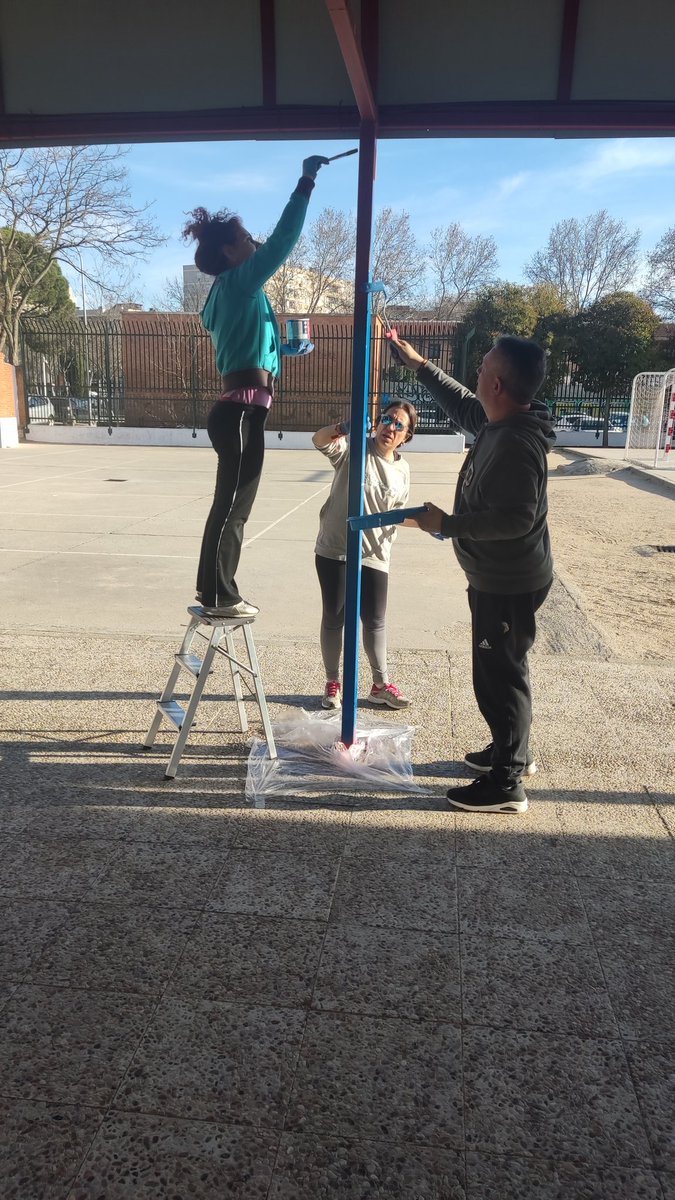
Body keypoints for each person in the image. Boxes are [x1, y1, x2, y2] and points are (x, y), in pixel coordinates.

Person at [388, 330, 555, 815]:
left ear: (499, 385)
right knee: (503, 668)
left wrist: (449, 525)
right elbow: (463, 404)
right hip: (500, 577)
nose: (476, 373)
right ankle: (512, 753)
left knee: (499, 676)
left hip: (509, 582)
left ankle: (507, 784)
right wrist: (419, 365)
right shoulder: (500, 421)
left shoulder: (515, 445)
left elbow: (516, 518)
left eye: (483, 367)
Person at [183, 154, 329, 618]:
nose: (256, 242)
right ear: (229, 251)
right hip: (244, 411)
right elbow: (282, 242)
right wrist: (305, 183)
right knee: (235, 508)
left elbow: (245, 349)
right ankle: (223, 594)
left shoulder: (227, 293)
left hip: (239, 406)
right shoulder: (240, 283)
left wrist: (284, 353)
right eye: (247, 238)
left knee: (227, 502)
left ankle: (212, 589)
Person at [312, 400, 418, 711]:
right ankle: (333, 682)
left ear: (406, 436)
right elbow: (319, 441)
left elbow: (397, 513)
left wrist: (428, 521)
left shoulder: (402, 469)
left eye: (399, 425)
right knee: (334, 617)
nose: (390, 427)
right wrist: (343, 428)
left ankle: (380, 685)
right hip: (336, 548)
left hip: (374, 553)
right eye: (387, 419)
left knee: (375, 620)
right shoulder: (355, 449)